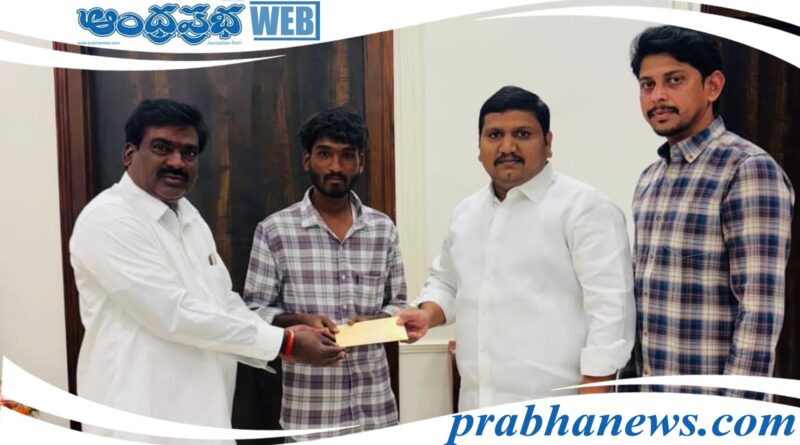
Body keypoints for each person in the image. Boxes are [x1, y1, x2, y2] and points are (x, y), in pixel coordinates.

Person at [70, 99, 344, 444]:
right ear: (129, 154)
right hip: (138, 416)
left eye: (189, 152)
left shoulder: (188, 216)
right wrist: (284, 343)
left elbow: (222, 302)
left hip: (205, 414)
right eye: (161, 148)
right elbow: (173, 313)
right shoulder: (109, 218)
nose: (177, 162)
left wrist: (281, 331)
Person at [397, 86, 635, 410]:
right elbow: (446, 282)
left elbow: (611, 314)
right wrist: (427, 315)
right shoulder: (467, 213)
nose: (507, 147)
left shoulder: (584, 208)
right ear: (479, 147)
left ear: (548, 143)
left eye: (522, 134)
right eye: (494, 135)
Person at [619, 26, 795, 399]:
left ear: (712, 86)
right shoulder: (649, 180)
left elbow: (760, 313)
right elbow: (641, 306)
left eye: (674, 80)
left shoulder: (746, 169)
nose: (658, 95)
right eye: (648, 85)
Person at [243, 107, 407, 440]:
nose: (335, 166)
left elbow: (399, 305)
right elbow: (253, 311)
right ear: (307, 160)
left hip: (376, 409)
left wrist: (376, 321)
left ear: (360, 162)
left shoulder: (383, 229)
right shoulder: (275, 231)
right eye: (324, 154)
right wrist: (298, 320)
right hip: (311, 413)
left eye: (347, 155)